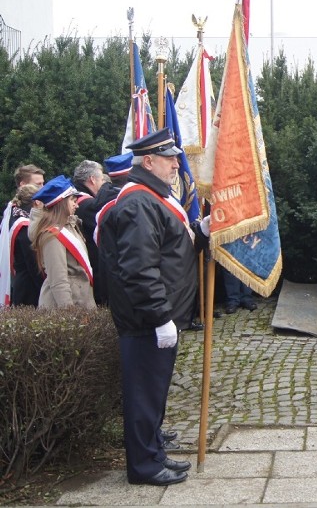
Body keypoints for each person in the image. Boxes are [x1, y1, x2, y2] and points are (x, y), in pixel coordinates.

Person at [99, 128, 209, 486]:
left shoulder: (151, 197)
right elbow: (140, 268)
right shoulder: (139, 202)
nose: (177, 163)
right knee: (144, 395)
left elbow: (168, 248)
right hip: (147, 319)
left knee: (153, 392)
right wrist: (161, 316)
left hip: (156, 317)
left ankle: (154, 453)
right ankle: (144, 466)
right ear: (149, 162)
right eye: (169, 158)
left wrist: (201, 231)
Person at [30, 175, 95, 310]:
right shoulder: (52, 235)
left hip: (79, 299)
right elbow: (58, 280)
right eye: (72, 200)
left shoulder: (70, 226)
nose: (77, 205)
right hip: (65, 304)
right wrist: (68, 313)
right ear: (60, 202)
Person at [1, 164, 45, 306]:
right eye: (38, 184)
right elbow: (32, 262)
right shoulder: (23, 220)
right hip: (29, 289)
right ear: (23, 185)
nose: (43, 188)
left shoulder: (12, 209)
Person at [72, 159, 111, 305]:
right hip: (94, 269)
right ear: (92, 180)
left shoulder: (76, 198)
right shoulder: (86, 204)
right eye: (102, 179)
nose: (103, 184)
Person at [9, 184, 43, 305]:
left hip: (25, 282)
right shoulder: (25, 226)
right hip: (28, 287)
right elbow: (32, 262)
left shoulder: (17, 217)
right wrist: (43, 286)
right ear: (36, 202)